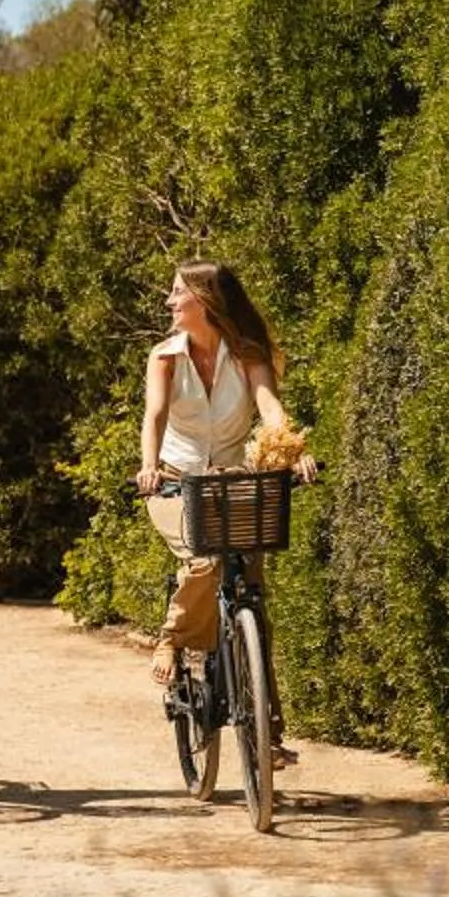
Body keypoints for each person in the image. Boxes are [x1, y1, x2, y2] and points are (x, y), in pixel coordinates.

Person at [131, 258, 306, 766]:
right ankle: (173, 639)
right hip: (175, 481)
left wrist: (293, 450)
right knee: (203, 562)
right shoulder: (164, 358)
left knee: (251, 594)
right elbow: (155, 416)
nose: (169, 302)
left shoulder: (247, 354)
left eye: (177, 293)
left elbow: (269, 408)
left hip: (234, 481)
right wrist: (147, 468)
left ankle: (267, 733)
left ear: (204, 301)